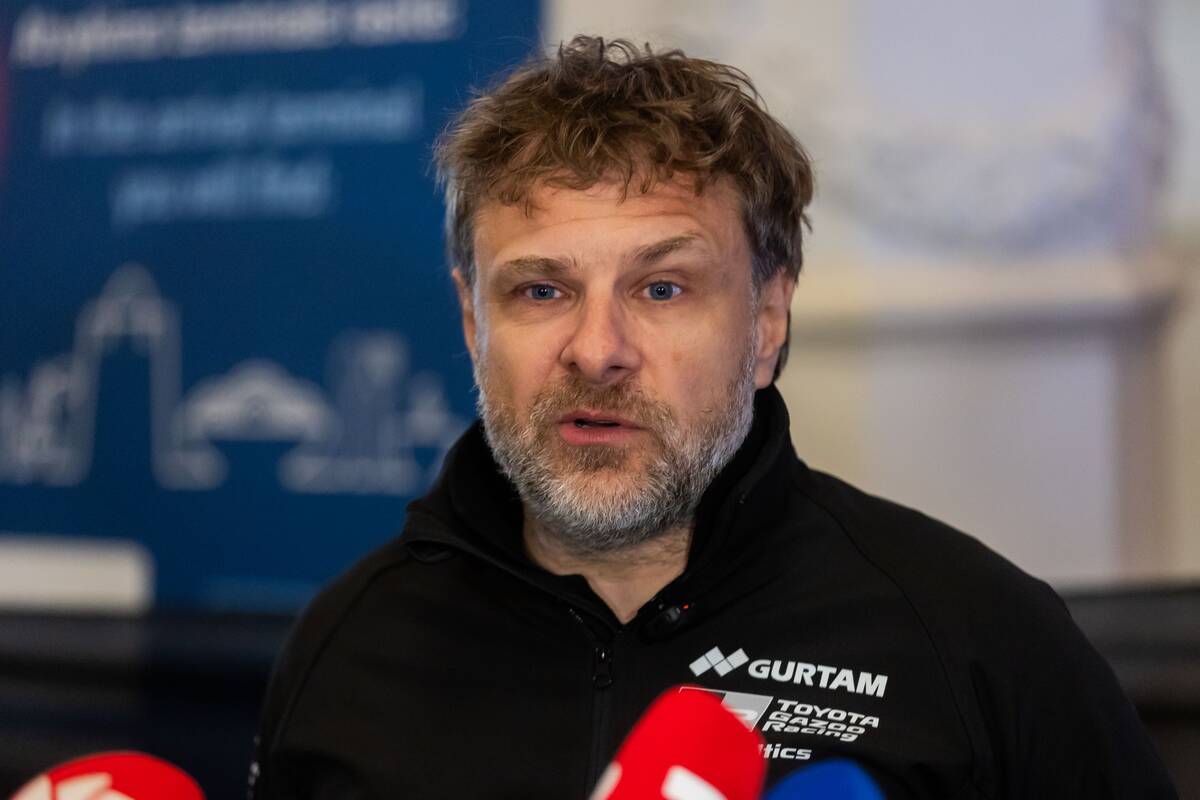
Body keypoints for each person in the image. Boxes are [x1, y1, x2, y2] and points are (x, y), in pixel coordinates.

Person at [249, 36, 1177, 799]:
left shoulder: (977, 634)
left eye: (662, 288)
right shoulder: (350, 643)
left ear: (767, 320)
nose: (597, 349)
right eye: (541, 290)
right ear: (471, 322)